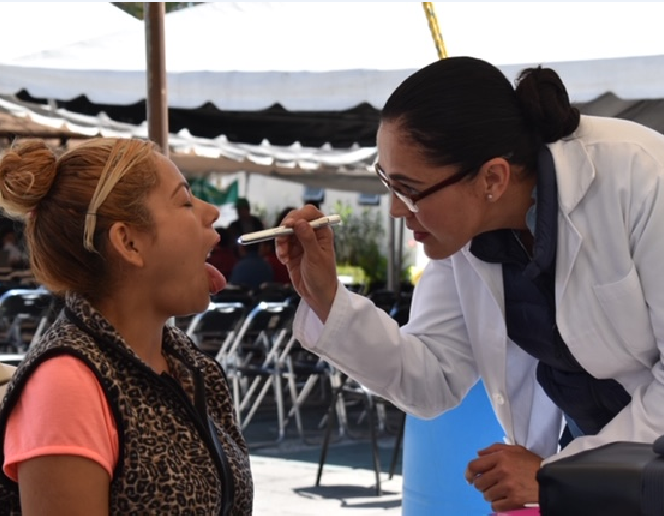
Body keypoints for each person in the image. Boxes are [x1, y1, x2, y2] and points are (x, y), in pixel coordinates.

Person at [276, 56, 664, 512]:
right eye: (388, 184)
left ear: (493, 179)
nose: (397, 212)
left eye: (409, 190)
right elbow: (432, 379)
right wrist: (327, 299)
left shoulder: (639, 176)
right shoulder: (465, 238)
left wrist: (560, 473)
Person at [0, 138, 253, 514]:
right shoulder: (67, 385)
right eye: (184, 201)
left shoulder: (191, 368)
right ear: (128, 241)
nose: (212, 211)